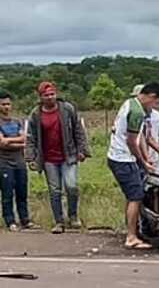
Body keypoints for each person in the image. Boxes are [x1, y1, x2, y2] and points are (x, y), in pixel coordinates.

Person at [25, 81, 91, 234]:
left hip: (68, 155)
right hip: (48, 158)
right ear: (40, 97)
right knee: (55, 191)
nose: (50, 97)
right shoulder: (36, 114)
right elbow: (31, 137)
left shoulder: (67, 109)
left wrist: (82, 149)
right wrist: (30, 158)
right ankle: (59, 221)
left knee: (72, 186)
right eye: (46, 95)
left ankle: (73, 216)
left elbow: (78, 130)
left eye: (52, 94)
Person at [107, 81, 159, 249]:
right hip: (123, 158)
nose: (155, 107)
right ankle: (131, 236)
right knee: (136, 196)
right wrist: (143, 163)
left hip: (118, 156)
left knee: (132, 194)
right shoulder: (137, 112)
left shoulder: (130, 103)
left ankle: (132, 229)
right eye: (156, 102)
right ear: (152, 97)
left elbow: (141, 138)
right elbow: (133, 142)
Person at [0, 91, 37, 232]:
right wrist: (16, 142)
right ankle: (10, 220)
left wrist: (9, 141)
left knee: (22, 192)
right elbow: (2, 143)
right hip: (4, 163)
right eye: (3, 104)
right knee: (7, 193)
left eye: (8, 104)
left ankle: (25, 220)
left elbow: (24, 140)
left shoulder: (18, 121)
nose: (6, 107)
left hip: (20, 162)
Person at [131, 85, 159, 163]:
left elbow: (157, 135)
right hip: (136, 155)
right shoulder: (134, 113)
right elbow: (136, 138)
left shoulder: (156, 115)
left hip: (152, 154)